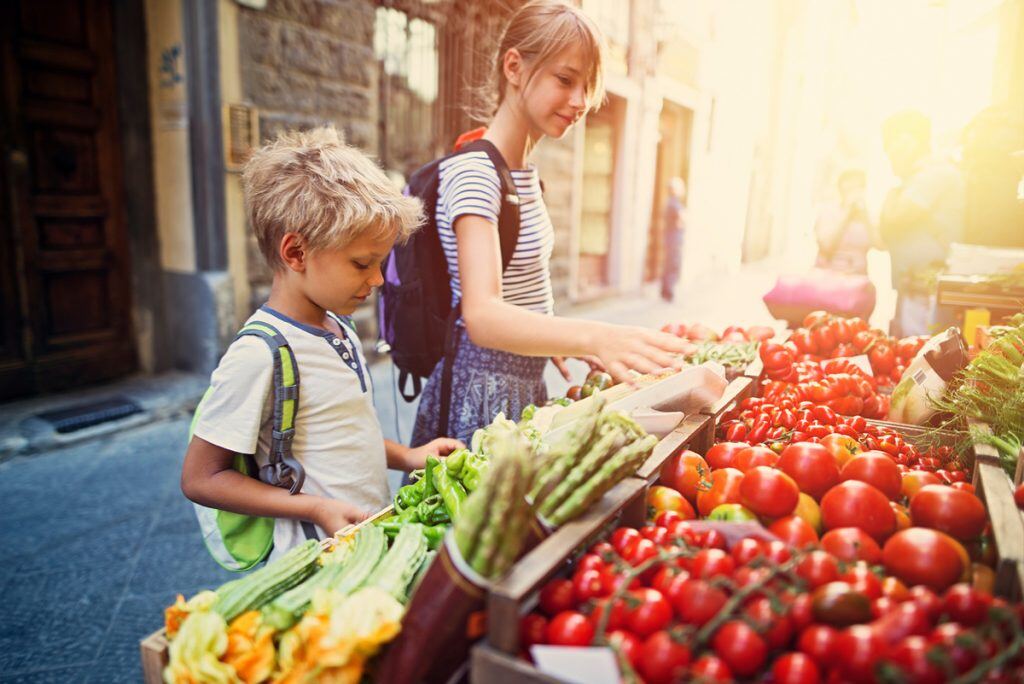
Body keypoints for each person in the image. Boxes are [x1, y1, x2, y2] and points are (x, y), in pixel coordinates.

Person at [411, 0, 689, 446]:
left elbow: (519, 290)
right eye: (565, 79)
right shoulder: (477, 173)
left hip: (520, 385)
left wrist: (553, 336)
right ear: (515, 67)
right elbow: (481, 314)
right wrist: (596, 336)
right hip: (482, 394)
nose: (580, 101)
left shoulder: (520, 172)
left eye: (588, 85)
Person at [181, 127, 462, 560]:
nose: (378, 279)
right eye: (362, 263)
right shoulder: (260, 355)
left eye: (381, 262)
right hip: (317, 558)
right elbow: (201, 478)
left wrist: (408, 457)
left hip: (366, 543)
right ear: (296, 254)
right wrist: (315, 507)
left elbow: (342, 435)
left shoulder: (338, 326)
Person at [879, 110, 965, 336]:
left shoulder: (934, 174)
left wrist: (894, 188)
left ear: (909, 141)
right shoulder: (914, 179)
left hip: (927, 297)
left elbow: (895, 216)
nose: (889, 152)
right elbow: (882, 236)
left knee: (920, 362)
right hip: (913, 292)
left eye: (891, 143)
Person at [814, 169, 873, 275]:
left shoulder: (866, 215)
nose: (855, 192)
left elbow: (880, 245)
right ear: (840, 189)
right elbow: (826, 246)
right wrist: (847, 216)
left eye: (859, 187)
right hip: (829, 277)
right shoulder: (828, 212)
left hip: (858, 279)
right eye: (850, 188)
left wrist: (866, 218)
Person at [660, 177, 687, 301]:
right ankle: (668, 293)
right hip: (674, 240)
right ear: (675, 190)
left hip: (670, 239)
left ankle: (665, 291)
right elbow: (682, 220)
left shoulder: (669, 202)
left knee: (668, 265)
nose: (683, 190)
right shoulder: (675, 204)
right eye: (681, 187)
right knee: (672, 265)